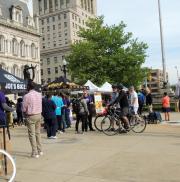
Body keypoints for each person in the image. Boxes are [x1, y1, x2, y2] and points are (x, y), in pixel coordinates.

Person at [23, 81, 43, 158]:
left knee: (32, 134)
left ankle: (34, 152)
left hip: (31, 115)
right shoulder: (39, 94)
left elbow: (24, 108)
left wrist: (24, 114)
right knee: (38, 133)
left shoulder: (27, 96)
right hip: (39, 114)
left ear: (28, 87)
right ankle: (40, 150)